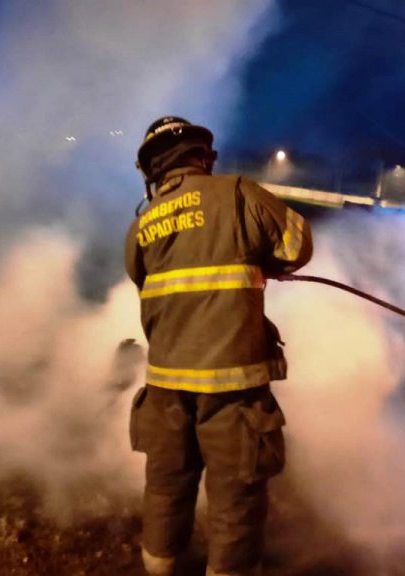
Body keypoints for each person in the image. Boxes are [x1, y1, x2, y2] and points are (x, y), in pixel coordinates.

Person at [124, 117, 313, 576]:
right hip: (233, 387)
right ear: (201, 157)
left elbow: (142, 279)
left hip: (166, 384)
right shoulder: (237, 193)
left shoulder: (141, 226)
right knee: (237, 490)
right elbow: (297, 245)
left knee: (167, 482)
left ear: (153, 171)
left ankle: (159, 563)